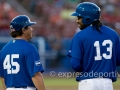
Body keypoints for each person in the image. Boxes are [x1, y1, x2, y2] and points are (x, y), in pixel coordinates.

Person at [67, 2, 120, 90]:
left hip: (87, 83)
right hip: (107, 83)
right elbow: (118, 60)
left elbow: (75, 65)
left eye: (79, 17)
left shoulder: (80, 36)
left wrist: (89, 66)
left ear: (87, 18)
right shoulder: (113, 34)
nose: (77, 20)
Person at [0, 15, 46, 90]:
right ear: (23, 30)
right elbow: (36, 75)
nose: (31, 29)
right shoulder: (29, 48)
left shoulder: (3, 50)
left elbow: (3, 78)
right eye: (29, 27)